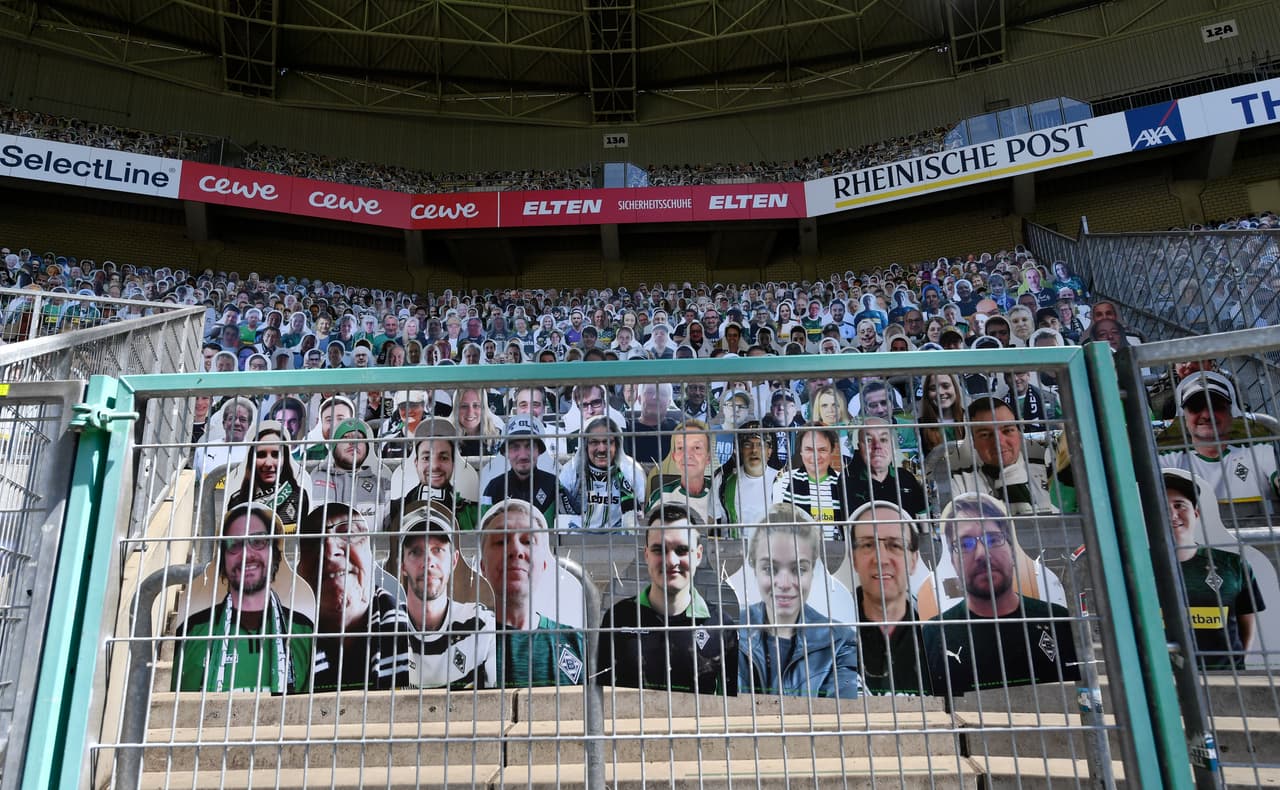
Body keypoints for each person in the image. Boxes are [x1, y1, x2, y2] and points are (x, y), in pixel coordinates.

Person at [923, 494, 1079, 695]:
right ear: (952, 561)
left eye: (993, 539)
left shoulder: (1058, 620)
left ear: (1012, 551)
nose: (981, 554)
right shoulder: (934, 635)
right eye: (965, 544)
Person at [173, 504, 313, 693]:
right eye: (235, 544)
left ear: (274, 554)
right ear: (222, 558)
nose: (247, 554)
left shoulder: (302, 630)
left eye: (258, 542)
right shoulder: (195, 630)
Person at [598, 505, 737, 695]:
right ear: (646, 555)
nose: (671, 561)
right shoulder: (618, 618)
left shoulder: (721, 626)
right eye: (659, 550)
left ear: (698, 555)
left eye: (681, 550)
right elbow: (598, 700)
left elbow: (734, 708)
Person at [738, 507, 862, 698]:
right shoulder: (729, 631)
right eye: (770, 568)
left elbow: (842, 713)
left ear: (813, 569)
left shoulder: (841, 641)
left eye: (799, 569)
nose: (785, 584)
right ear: (754, 567)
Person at [297, 503, 415, 691]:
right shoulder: (282, 638)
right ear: (299, 566)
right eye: (313, 539)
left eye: (349, 532)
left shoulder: (416, 635)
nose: (330, 550)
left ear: (372, 554)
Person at [1162, 469, 1265, 670]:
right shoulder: (1136, 567)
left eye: (1179, 505)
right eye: (1163, 508)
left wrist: (1233, 665)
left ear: (1196, 513)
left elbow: (1247, 619)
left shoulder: (1233, 564)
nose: (1173, 514)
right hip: (1163, 680)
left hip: (1225, 680)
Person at [478, 499, 587, 687]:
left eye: (528, 541)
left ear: (544, 565)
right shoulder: (462, 642)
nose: (515, 550)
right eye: (500, 541)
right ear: (483, 567)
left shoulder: (577, 643)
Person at [396, 500, 497, 688]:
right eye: (416, 552)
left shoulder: (482, 626)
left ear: (454, 560)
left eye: (438, 550)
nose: (428, 562)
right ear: (402, 564)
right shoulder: (385, 630)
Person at [1157, 371, 1280, 510]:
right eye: (1195, 408)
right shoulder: (1168, 461)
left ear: (1231, 413)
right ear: (1183, 417)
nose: (1207, 414)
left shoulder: (1260, 451)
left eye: (1216, 407)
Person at [849, 502, 933, 696]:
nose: (881, 559)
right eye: (868, 545)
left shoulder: (937, 636)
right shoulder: (830, 635)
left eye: (895, 545)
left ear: (914, 560)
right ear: (853, 559)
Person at [950, 397, 1057, 515]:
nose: (998, 442)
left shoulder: (1049, 472)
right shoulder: (959, 484)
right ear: (973, 441)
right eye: (985, 435)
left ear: (1018, 433)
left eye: (1007, 431)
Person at [480, 414, 575, 527]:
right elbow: (485, 534)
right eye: (515, 447)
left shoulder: (553, 485)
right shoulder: (494, 489)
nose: (523, 455)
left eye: (529, 446)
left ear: (539, 451)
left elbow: (571, 527)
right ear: (506, 453)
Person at [558, 415, 646, 532]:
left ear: (617, 444)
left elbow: (640, 517)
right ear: (585, 445)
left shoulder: (631, 471)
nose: (601, 449)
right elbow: (562, 515)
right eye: (594, 442)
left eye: (607, 442)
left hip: (620, 543)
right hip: (577, 540)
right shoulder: (571, 471)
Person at [310, 418, 393, 534]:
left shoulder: (384, 486)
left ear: (367, 448)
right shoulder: (312, 481)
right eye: (345, 437)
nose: (353, 442)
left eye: (359, 438)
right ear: (334, 447)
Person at [225, 421, 312, 533]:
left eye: (275, 455)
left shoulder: (299, 496)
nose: (268, 463)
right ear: (251, 459)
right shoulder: (237, 501)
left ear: (285, 458)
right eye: (261, 455)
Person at [772, 424, 851, 540]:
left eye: (822, 450)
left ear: (832, 450)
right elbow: (778, 527)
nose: (815, 456)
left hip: (838, 555)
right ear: (801, 451)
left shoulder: (843, 483)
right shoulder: (784, 480)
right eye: (809, 449)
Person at [648, 419, 725, 528]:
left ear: (708, 458)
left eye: (697, 448)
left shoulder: (722, 492)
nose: (687, 455)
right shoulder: (661, 496)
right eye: (681, 448)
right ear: (674, 457)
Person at [844, 419, 928, 518]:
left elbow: (923, 519)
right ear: (859, 448)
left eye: (883, 440)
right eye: (869, 440)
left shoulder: (906, 478)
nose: (877, 446)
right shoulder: (848, 483)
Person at [718, 420, 778, 531]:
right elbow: (710, 520)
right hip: (734, 547)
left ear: (769, 452)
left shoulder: (781, 481)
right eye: (747, 445)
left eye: (760, 445)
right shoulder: (723, 480)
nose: (754, 450)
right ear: (740, 450)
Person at [626, 382, 679, 464]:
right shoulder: (626, 429)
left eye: (662, 393)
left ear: (669, 402)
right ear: (639, 399)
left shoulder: (678, 430)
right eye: (650, 392)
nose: (656, 397)